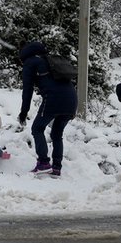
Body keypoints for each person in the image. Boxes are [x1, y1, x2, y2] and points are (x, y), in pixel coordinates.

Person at [18, 41, 77, 177]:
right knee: (57, 134)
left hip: (53, 99)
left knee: (37, 128)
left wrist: (23, 112)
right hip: (72, 99)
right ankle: (56, 167)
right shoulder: (50, 60)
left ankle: (43, 163)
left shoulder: (30, 63)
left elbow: (27, 91)